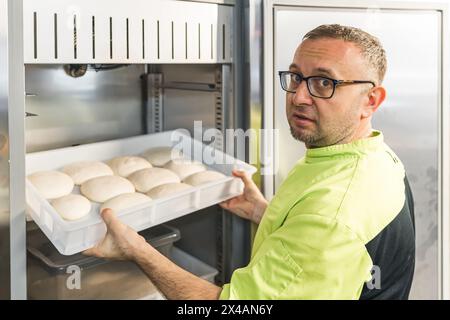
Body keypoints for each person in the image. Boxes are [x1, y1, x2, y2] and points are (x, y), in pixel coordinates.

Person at [84, 24, 415, 300]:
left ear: (370, 101)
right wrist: (264, 212)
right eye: (297, 77)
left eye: (324, 83)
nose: (299, 96)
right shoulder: (376, 158)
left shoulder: (334, 213)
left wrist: (138, 251)